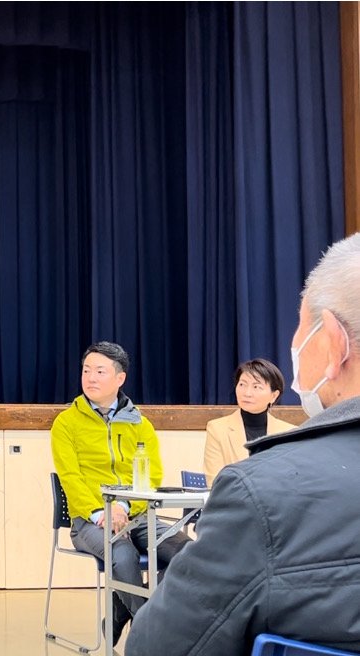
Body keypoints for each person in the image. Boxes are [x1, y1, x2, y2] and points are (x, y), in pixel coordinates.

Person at [126, 234, 360, 655]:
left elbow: (156, 646)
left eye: (300, 326)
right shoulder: (228, 436)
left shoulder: (260, 492)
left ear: (333, 343)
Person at [51, 341, 192, 645]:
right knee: (123, 554)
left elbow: (151, 475)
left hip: (136, 516)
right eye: (86, 370)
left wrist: (124, 508)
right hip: (89, 521)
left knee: (188, 552)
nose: (91, 378)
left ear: (120, 378)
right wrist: (102, 512)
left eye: (100, 371)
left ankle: (120, 609)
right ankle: (148, 633)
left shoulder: (139, 423)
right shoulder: (66, 423)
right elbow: (70, 478)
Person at [203, 358, 298, 482]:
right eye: (242, 384)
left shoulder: (289, 433)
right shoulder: (218, 428)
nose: (247, 393)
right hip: (231, 495)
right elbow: (215, 481)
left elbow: (291, 480)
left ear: (274, 396)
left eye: (256, 387)